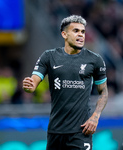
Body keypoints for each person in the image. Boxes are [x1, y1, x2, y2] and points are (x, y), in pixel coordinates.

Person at [22, 15, 108, 150]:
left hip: (81, 131)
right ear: (64, 34)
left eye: (83, 32)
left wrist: (95, 117)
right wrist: (30, 86)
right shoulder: (49, 57)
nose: (81, 35)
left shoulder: (95, 60)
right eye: (76, 31)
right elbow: (34, 81)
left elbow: (103, 92)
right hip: (56, 131)